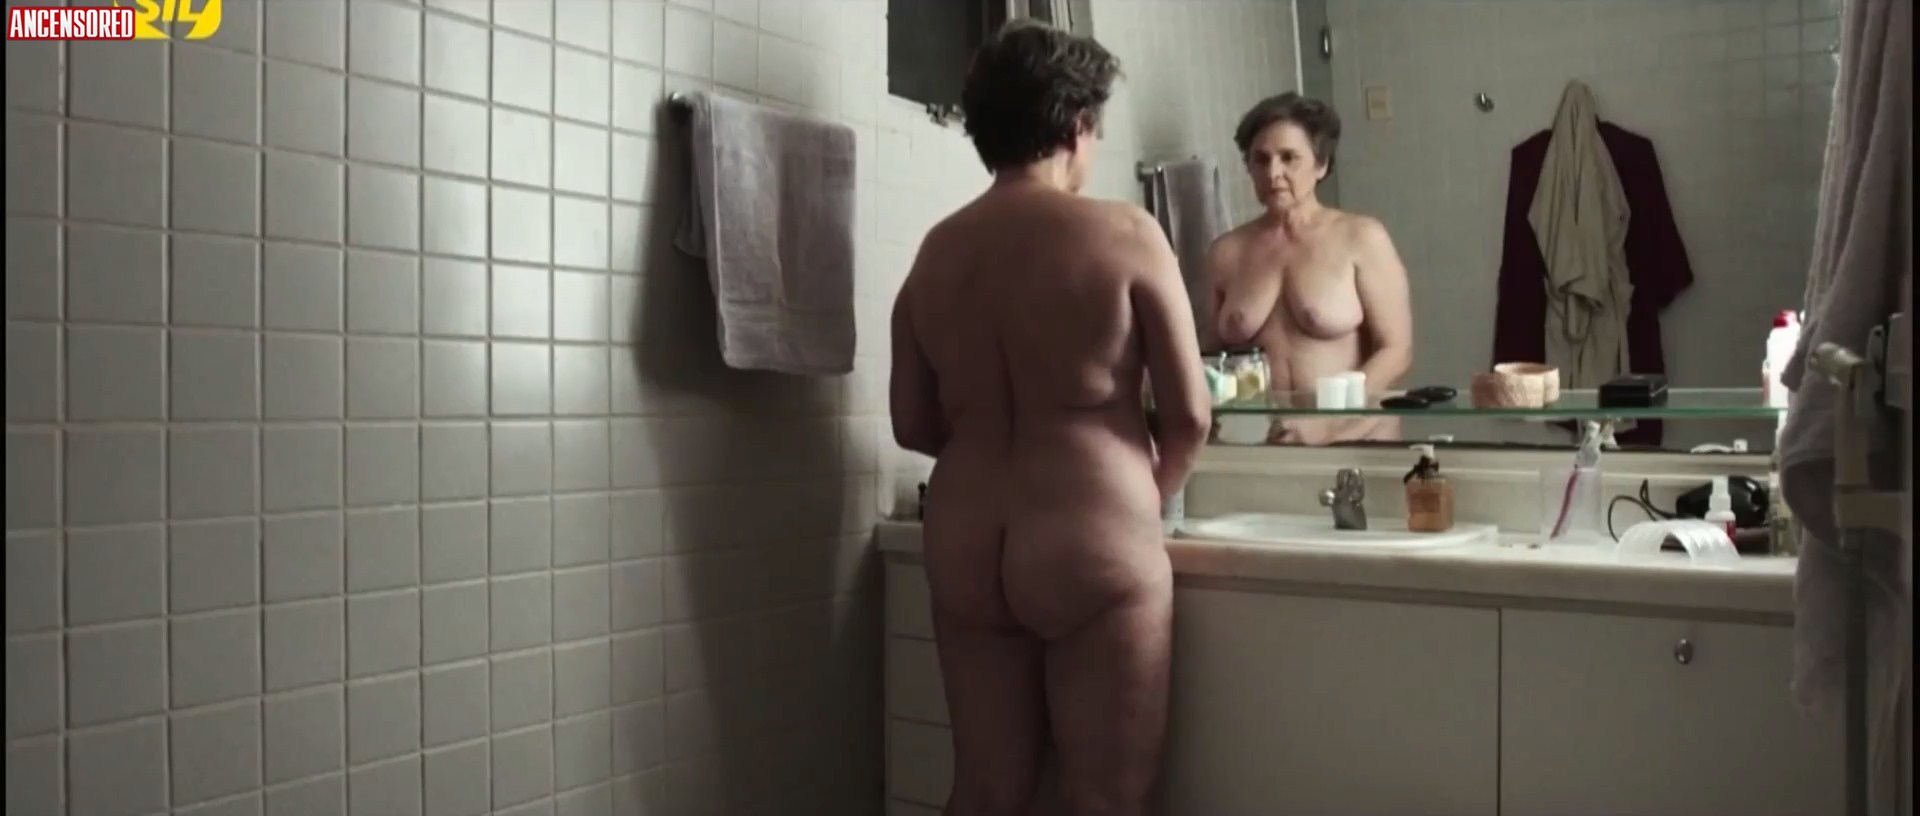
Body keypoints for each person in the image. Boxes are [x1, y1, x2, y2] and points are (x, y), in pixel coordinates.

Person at [888, 20, 1212, 816]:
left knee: (984, 791)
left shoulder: (936, 254)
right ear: (1078, 124)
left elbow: (912, 423)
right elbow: (1190, 417)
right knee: (1102, 800)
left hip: (966, 540)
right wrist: (1136, 496)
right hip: (1090, 535)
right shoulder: (1125, 234)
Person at [1204, 92, 1414, 445]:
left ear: (1321, 165)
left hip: (1353, 439)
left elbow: (1397, 350)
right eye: (1261, 159)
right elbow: (1208, 358)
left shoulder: (1361, 238)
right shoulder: (1225, 252)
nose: (1273, 173)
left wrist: (1330, 424)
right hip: (1265, 443)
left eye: (1289, 158)